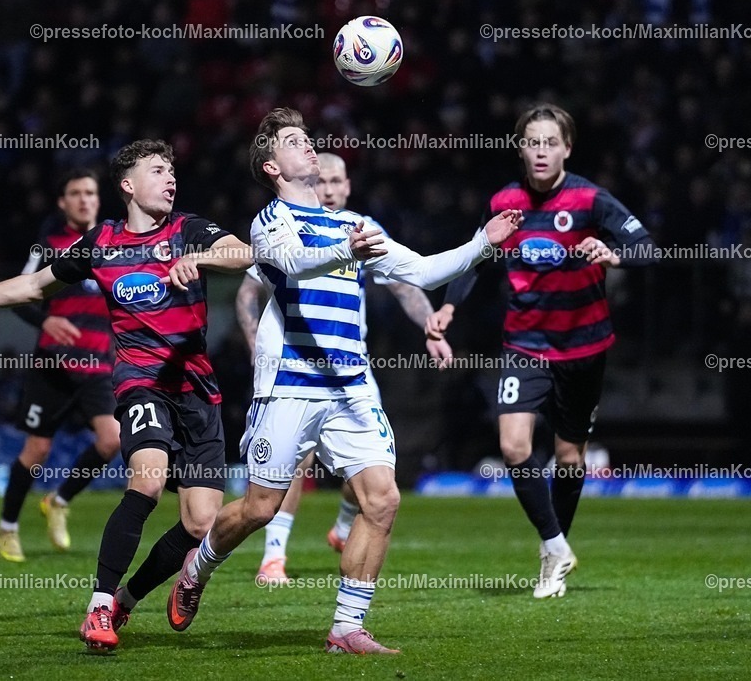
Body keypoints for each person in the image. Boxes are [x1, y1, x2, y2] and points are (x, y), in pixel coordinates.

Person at [167, 108, 521, 655]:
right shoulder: (270, 222)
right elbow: (294, 262)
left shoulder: (356, 225)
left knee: (382, 500)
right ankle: (199, 566)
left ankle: (346, 628)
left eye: (307, 138)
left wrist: (483, 241)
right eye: (294, 141)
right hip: (289, 385)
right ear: (271, 166)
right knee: (260, 508)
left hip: (350, 389)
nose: (308, 146)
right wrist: (345, 250)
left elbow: (422, 272)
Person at [0, 139, 253, 654]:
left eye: (173, 171)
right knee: (148, 480)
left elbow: (243, 252)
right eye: (158, 170)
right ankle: (98, 607)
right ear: (128, 185)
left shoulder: (188, 230)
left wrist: (199, 258)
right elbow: (32, 287)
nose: (171, 179)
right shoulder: (101, 243)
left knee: (201, 522)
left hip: (198, 391)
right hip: (141, 383)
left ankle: (126, 600)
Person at [426, 103, 656, 599]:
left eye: (551, 142)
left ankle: (555, 553)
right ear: (521, 148)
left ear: (567, 148)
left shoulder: (590, 200)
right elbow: (476, 258)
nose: (541, 151)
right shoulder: (504, 202)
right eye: (533, 142)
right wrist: (447, 308)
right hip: (525, 343)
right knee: (514, 446)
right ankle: (554, 546)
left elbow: (647, 247)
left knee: (570, 458)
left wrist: (614, 255)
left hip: (584, 346)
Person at [237, 152, 454, 585]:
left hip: (351, 367)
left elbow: (404, 285)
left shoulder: (360, 228)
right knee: (295, 462)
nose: (330, 188)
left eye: (338, 181)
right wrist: (257, 349)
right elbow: (248, 293)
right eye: (323, 181)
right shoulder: (288, 227)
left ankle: (341, 528)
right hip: (297, 366)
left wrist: (430, 325)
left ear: (349, 186)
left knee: (373, 474)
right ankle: (274, 557)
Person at [0, 168, 121, 563]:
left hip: (98, 366)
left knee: (112, 440)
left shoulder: (114, 246)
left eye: (90, 193)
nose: (84, 199)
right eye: (75, 193)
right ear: (63, 202)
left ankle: (59, 500)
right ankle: (6, 528)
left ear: (98, 200)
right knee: (38, 449)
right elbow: (18, 294)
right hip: (53, 365)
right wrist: (45, 320)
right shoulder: (48, 247)